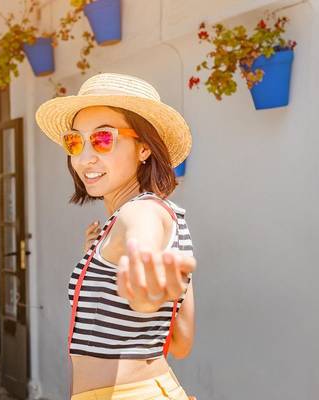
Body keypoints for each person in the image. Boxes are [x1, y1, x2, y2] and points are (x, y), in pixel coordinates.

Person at [35, 73, 198, 400]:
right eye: (75, 142)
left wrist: (141, 265)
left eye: (103, 139)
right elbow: (181, 343)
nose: (84, 158)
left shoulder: (142, 212)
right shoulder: (154, 220)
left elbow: (140, 232)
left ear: (144, 148)